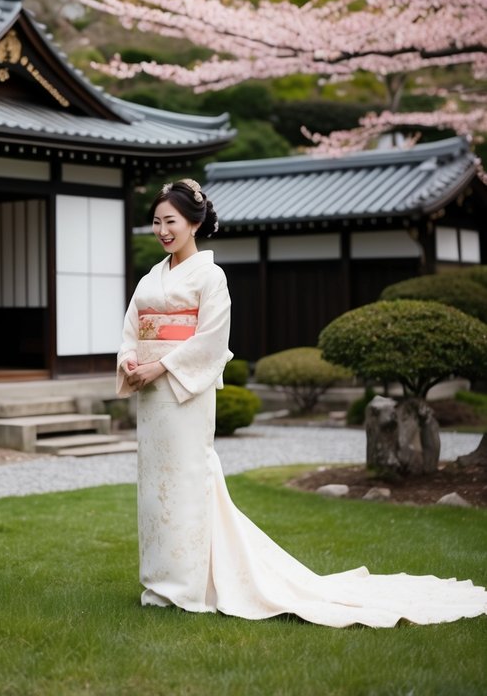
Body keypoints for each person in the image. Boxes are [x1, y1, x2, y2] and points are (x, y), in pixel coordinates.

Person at [116, 177, 487, 627]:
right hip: (153, 396)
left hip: (182, 392)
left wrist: (163, 365)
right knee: (156, 490)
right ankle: (161, 580)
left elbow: (212, 340)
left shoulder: (211, 276)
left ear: (194, 224)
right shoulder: (152, 277)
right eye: (156, 222)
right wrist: (132, 359)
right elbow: (133, 323)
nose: (162, 230)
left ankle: (189, 584)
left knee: (189, 482)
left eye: (170, 221)